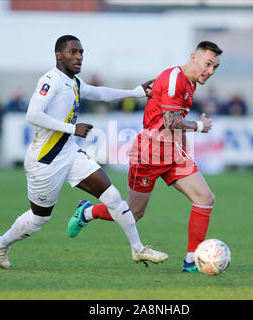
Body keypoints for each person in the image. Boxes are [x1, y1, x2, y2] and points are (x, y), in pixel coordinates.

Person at [0, 35, 168, 269]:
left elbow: (100, 93)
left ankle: (138, 249)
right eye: (73, 52)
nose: (79, 56)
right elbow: (32, 114)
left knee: (112, 196)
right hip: (45, 160)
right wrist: (72, 128)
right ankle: (0, 243)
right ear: (58, 55)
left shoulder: (74, 82)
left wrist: (135, 92)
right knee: (39, 218)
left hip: (68, 152)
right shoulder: (50, 80)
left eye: (81, 52)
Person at [68, 41, 221, 273]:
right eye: (208, 64)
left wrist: (182, 147)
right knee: (134, 212)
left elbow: (170, 124)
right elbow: (171, 122)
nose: (210, 72)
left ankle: (192, 261)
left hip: (173, 154)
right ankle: (87, 212)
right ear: (193, 57)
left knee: (205, 198)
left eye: (215, 67)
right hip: (148, 155)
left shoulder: (190, 83)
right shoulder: (174, 80)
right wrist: (200, 125)